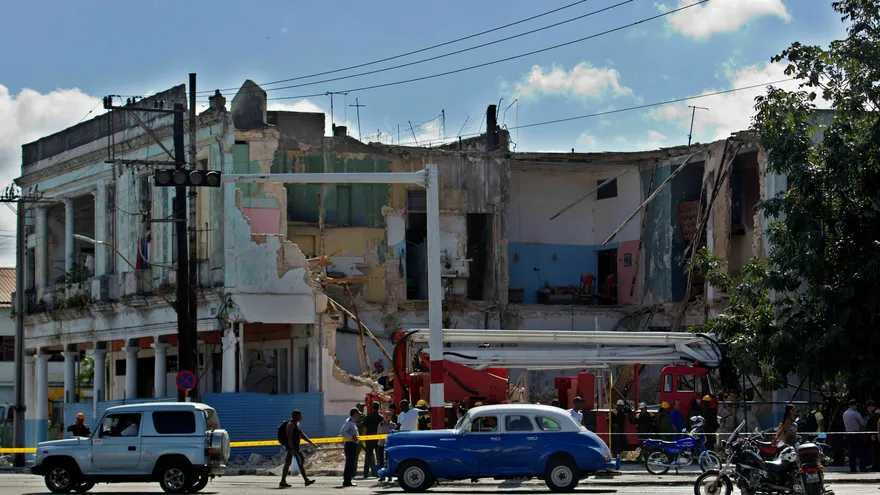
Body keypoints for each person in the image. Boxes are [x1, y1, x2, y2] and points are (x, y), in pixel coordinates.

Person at [279, 410, 316, 489]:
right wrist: (292, 449)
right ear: (295, 416)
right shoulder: (290, 425)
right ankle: (306, 480)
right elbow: (289, 438)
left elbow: (302, 435)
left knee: (289, 463)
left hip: (295, 446)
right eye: (300, 415)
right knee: (299, 461)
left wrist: (311, 442)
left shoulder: (297, 424)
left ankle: (283, 481)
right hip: (292, 447)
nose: (301, 417)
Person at [843, 399, 868, 472]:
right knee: (861, 451)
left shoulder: (845, 413)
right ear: (851, 405)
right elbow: (862, 423)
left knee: (851, 452)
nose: (856, 406)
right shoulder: (855, 413)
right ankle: (862, 468)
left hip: (848, 434)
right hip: (856, 434)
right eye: (855, 405)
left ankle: (852, 468)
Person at [340, 408, 360, 487]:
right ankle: (347, 480)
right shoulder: (349, 422)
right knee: (349, 463)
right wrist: (351, 437)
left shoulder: (352, 422)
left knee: (351, 463)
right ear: (354, 414)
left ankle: (348, 480)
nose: (358, 415)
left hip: (352, 444)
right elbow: (343, 431)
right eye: (357, 414)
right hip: (350, 444)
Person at [362, 401, 382, 479]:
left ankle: (365, 474)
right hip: (378, 440)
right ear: (378, 408)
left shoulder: (368, 417)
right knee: (378, 458)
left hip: (369, 440)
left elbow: (364, 429)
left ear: (372, 408)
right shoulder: (381, 417)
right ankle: (379, 473)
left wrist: (363, 439)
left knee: (368, 457)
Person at [377, 410, 396, 482]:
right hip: (381, 445)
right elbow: (378, 434)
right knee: (381, 461)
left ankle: (389, 476)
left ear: (391, 416)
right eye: (385, 415)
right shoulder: (380, 424)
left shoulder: (393, 425)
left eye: (388, 415)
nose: (387, 416)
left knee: (389, 461)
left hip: (389, 446)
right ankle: (382, 476)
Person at [866, 400, 880, 472]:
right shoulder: (875, 412)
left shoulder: (876, 413)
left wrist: (873, 434)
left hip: (875, 435)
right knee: (874, 451)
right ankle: (875, 465)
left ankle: (876, 466)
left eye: (868, 407)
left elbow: (875, 424)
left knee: (876, 451)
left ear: (870, 406)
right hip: (875, 434)